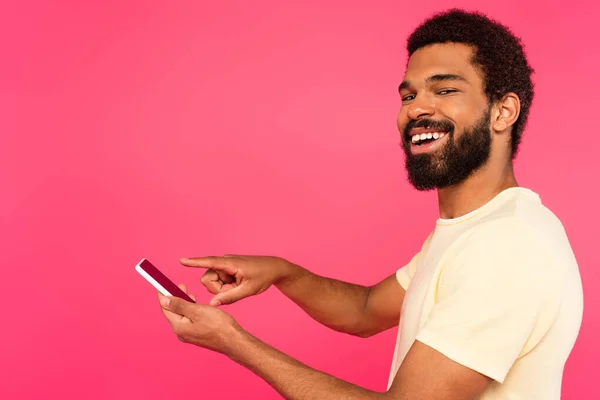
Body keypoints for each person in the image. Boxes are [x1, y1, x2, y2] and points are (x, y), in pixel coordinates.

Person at [156, 8, 584, 399]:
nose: (418, 109)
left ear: (503, 112)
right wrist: (282, 272)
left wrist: (234, 342)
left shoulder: (508, 246)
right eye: (409, 95)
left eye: (445, 90)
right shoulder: (473, 230)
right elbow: (363, 311)